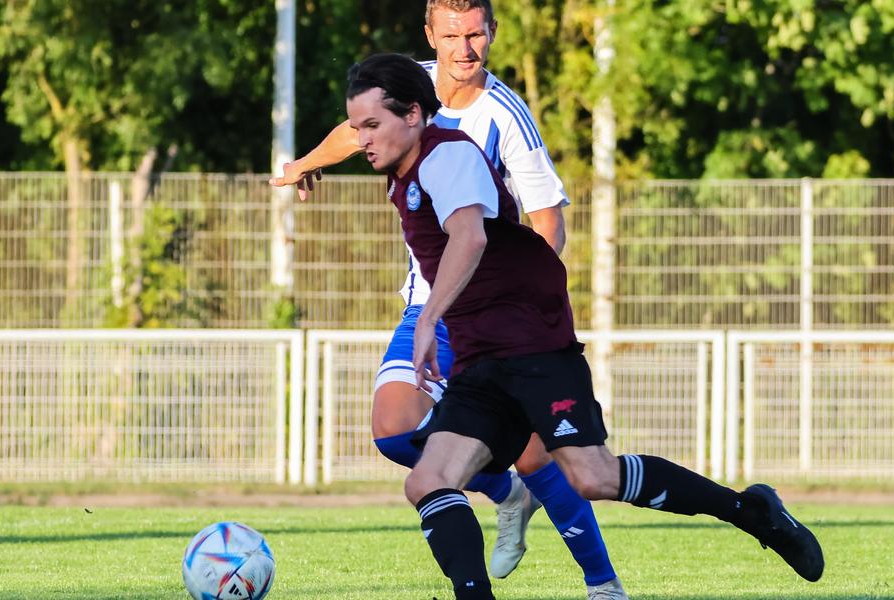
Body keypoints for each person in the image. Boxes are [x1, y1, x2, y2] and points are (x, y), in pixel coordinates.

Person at [342, 52, 824, 600]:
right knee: (428, 480)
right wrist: (304, 164)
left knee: (593, 477)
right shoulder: (402, 163)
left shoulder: (444, 157)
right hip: (482, 357)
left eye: (370, 125)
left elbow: (470, 236)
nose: (360, 139)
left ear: (412, 115)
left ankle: (749, 510)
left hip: (532, 345)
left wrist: (428, 319)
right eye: (357, 126)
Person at [270, 2, 625, 597]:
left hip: (497, 314)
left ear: (492, 34)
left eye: (476, 34)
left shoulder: (507, 115)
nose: (465, 48)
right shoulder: (406, 89)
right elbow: (353, 131)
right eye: (452, 35)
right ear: (430, 36)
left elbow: (548, 223)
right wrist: (305, 164)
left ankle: (603, 584)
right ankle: (502, 490)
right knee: (393, 427)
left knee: (541, 454)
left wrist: (524, 309)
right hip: (427, 305)